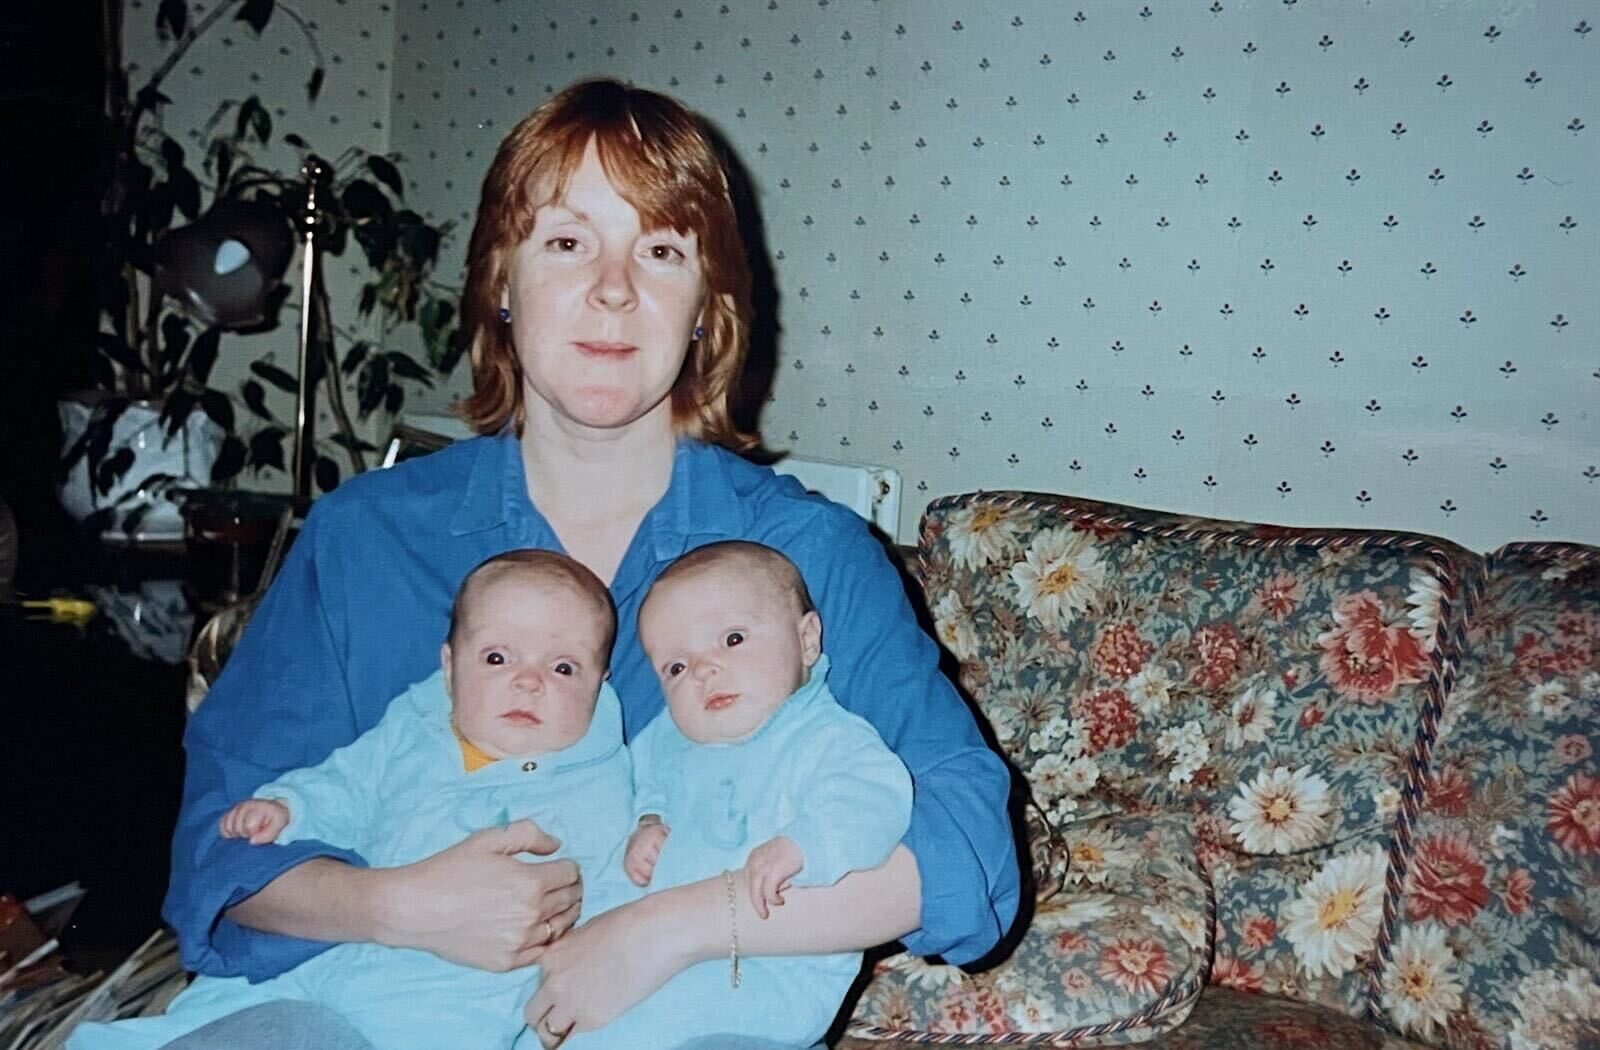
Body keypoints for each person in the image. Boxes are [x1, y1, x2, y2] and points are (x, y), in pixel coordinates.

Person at [159, 77, 1019, 1050]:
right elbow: (220, 849)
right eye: (567, 243)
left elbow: (965, 850)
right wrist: (402, 906)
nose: (614, 289)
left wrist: (674, 928)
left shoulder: (808, 555)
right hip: (359, 1005)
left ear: (706, 306)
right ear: (501, 282)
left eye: (661, 251)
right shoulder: (366, 536)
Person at [69, 551, 636, 1050]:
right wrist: (289, 807)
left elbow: (611, 889)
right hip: (327, 960)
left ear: (600, 681)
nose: (529, 681)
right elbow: (347, 783)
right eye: (497, 658)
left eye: (563, 667)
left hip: (448, 1001)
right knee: (218, 1016)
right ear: (448, 667)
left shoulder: (594, 781)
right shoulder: (414, 727)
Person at [562, 541, 911, 1048]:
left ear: (806, 640)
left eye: (732, 639)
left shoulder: (825, 736)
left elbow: (876, 798)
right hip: (638, 966)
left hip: (762, 977)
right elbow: (638, 784)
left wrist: (805, 845)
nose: (703, 669)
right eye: (676, 667)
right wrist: (647, 821)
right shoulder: (665, 738)